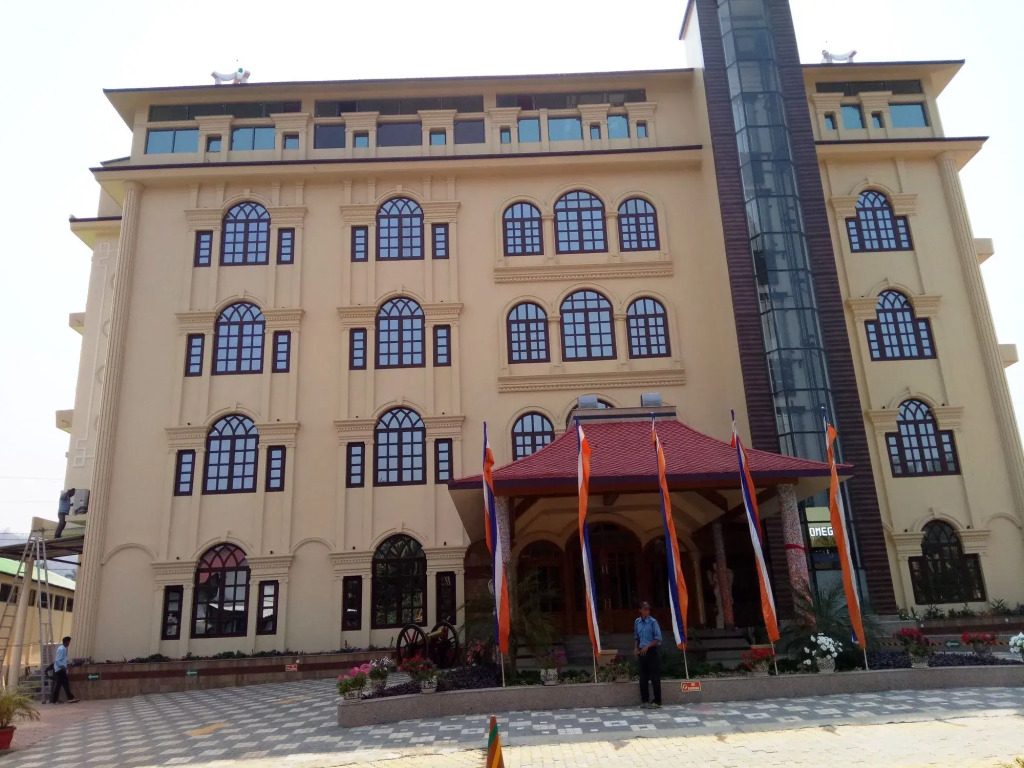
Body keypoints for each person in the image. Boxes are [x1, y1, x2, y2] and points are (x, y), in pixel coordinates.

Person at [634, 601, 662, 708]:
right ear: (640, 610)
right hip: (642, 651)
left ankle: (657, 701)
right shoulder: (637, 622)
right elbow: (637, 637)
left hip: (651, 651)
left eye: (648, 609)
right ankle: (644, 700)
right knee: (643, 677)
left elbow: (658, 638)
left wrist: (648, 646)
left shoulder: (653, 622)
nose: (647, 611)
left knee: (655, 677)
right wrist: (636, 648)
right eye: (645, 609)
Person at [50, 636, 79, 704]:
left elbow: (62, 659)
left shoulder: (62, 648)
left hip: (60, 669)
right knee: (65, 685)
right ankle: (69, 698)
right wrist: (62, 666)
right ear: (66, 642)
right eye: (69, 642)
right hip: (60, 670)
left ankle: (56, 700)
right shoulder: (62, 649)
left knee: (61, 685)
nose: (69, 643)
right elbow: (57, 660)